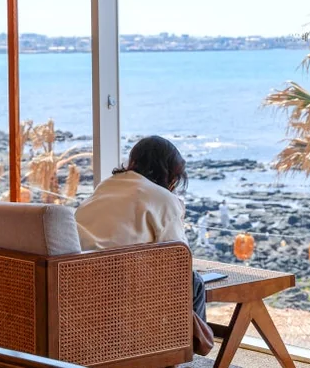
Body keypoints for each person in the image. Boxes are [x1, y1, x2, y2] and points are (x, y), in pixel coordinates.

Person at [74, 136, 212, 353]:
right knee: (193, 280)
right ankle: (189, 345)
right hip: (124, 287)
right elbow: (178, 258)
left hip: (79, 282)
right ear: (170, 171)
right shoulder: (163, 198)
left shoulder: (106, 186)